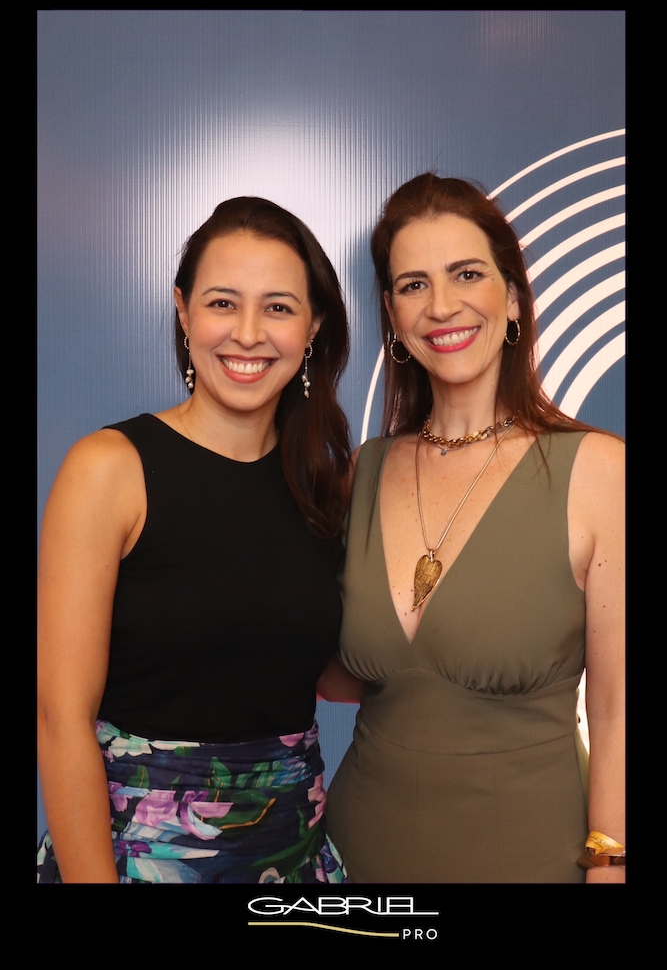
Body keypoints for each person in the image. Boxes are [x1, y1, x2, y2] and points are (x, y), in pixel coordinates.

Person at [37, 197, 352, 884]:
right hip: (134, 859)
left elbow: (334, 674)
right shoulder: (109, 468)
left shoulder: (327, 485)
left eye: (277, 307)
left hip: (295, 865)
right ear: (183, 312)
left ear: (313, 326)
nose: (248, 333)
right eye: (221, 303)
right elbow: (61, 720)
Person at [325, 174, 624, 883]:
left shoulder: (598, 472)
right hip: (352, 866)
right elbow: (331, 675)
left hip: (533, 861)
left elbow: (617, 711)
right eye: (413, 285)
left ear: (512, 297)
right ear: (392, 316)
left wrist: (610, 862)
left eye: (466, 274)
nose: (441, 305)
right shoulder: (362, 471)